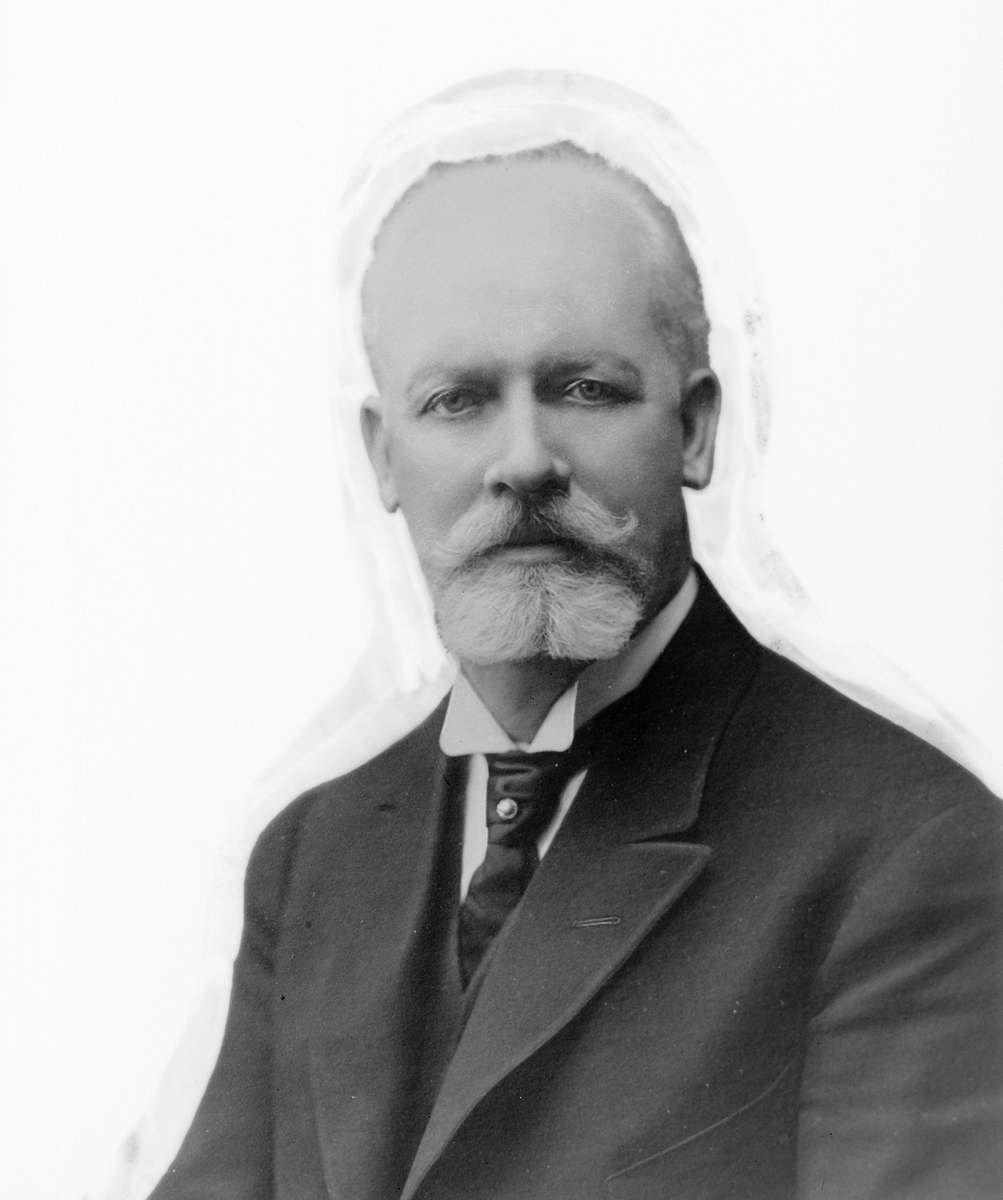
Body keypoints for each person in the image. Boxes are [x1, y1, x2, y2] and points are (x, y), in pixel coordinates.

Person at [148, 74, 1002, 1200]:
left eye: (585, 388)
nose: (523, 461)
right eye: (456, 401)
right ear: (383, 458)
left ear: (695, 429)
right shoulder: (312, 853)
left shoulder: (906, 851)